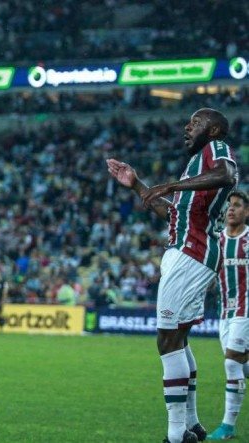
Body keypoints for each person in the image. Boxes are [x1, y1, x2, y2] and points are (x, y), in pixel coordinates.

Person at [107, 108, 238, 443]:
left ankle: (176, 435)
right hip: (186, 250)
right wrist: (137, 185)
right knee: (178, 339)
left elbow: (227, 176)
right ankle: (191, 425)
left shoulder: (215, 149)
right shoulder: (195, 166)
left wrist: (170, 183)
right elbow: (173, 214)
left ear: (214, 130)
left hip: (191, 255)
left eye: (195, 123)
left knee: (167, 341)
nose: (187, 127)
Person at [208, 191, 249, 440]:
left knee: (231, 363)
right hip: (225, 312)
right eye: (229, 206)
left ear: (247, 212)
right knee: (240, 366)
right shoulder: (217, 241)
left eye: (237, 205)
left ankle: (227, 427)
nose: (230, 209)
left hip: (246, 310)